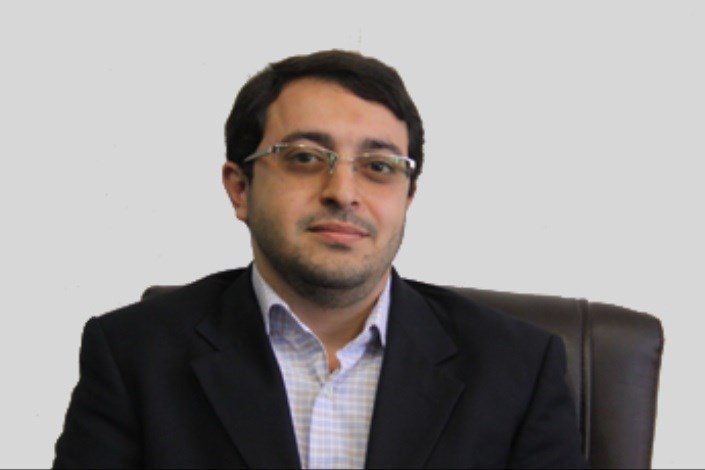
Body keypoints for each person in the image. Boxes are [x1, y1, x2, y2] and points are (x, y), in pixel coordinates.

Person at [53, 50, 586, 469]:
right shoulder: (132, 355)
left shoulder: (517, 368)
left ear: (408, 198)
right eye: (305, 158)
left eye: (379, 166)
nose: (343, 192)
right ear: (239, 188)